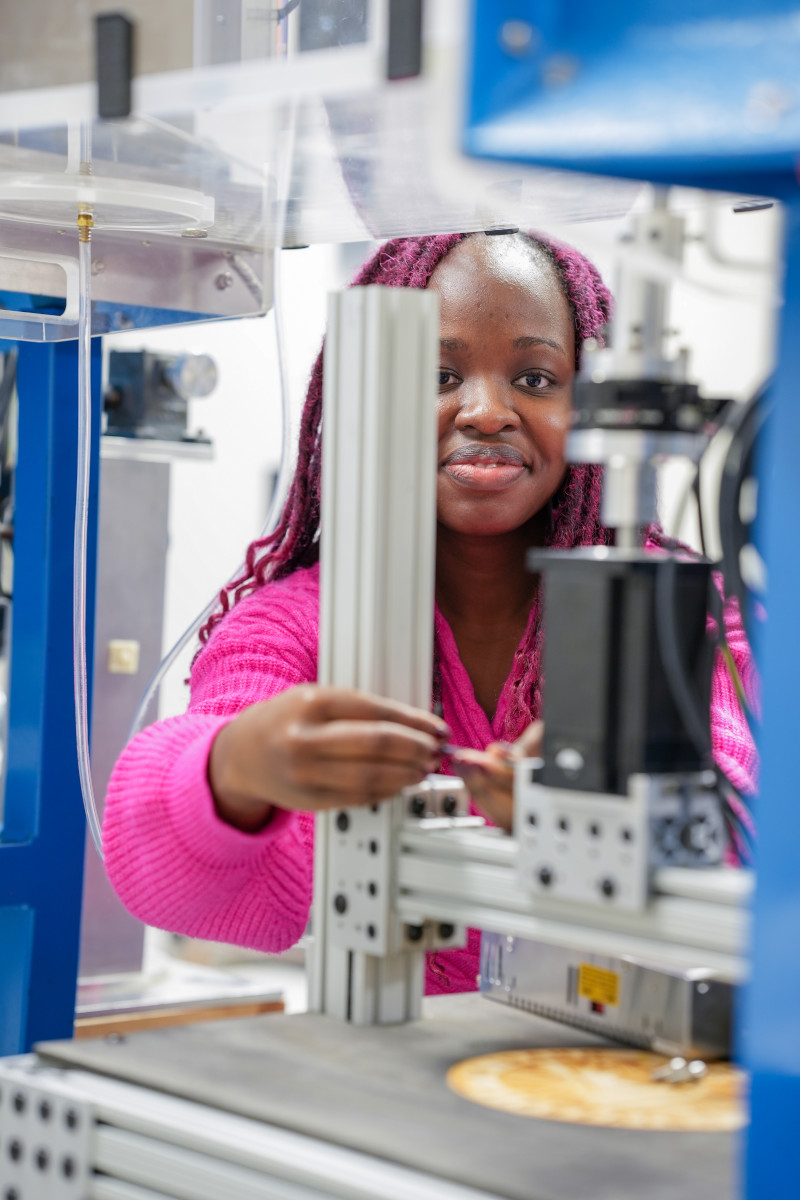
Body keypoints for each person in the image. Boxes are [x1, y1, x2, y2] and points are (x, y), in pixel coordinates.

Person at [103, 232, 756, 996]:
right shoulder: (295, 627)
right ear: (362, 396)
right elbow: (168, 881)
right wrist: (237, 767)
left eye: (537, 377)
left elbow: (750, 816)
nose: (486, 411)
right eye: (439, 374)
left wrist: (618, 806)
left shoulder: (676, 608)